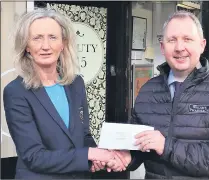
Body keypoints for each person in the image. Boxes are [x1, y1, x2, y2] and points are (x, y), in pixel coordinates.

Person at [3, 8, 128, 179]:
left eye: (52, 37)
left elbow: (84, 136)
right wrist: (89, 155)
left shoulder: (76, 83)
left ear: (63, 44)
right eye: (37, 38)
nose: (45, 46)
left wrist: (96, 157)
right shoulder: (15, 92)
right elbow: (34, 156)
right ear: (26, 46)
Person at [124, 11, 209, 179]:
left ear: (202, 45)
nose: (179, 47)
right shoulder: (148, 90)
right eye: (172, 40)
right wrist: (125, 158)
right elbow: (138, 145)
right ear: (163, 47)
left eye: (187, 39)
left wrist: (166, 146)